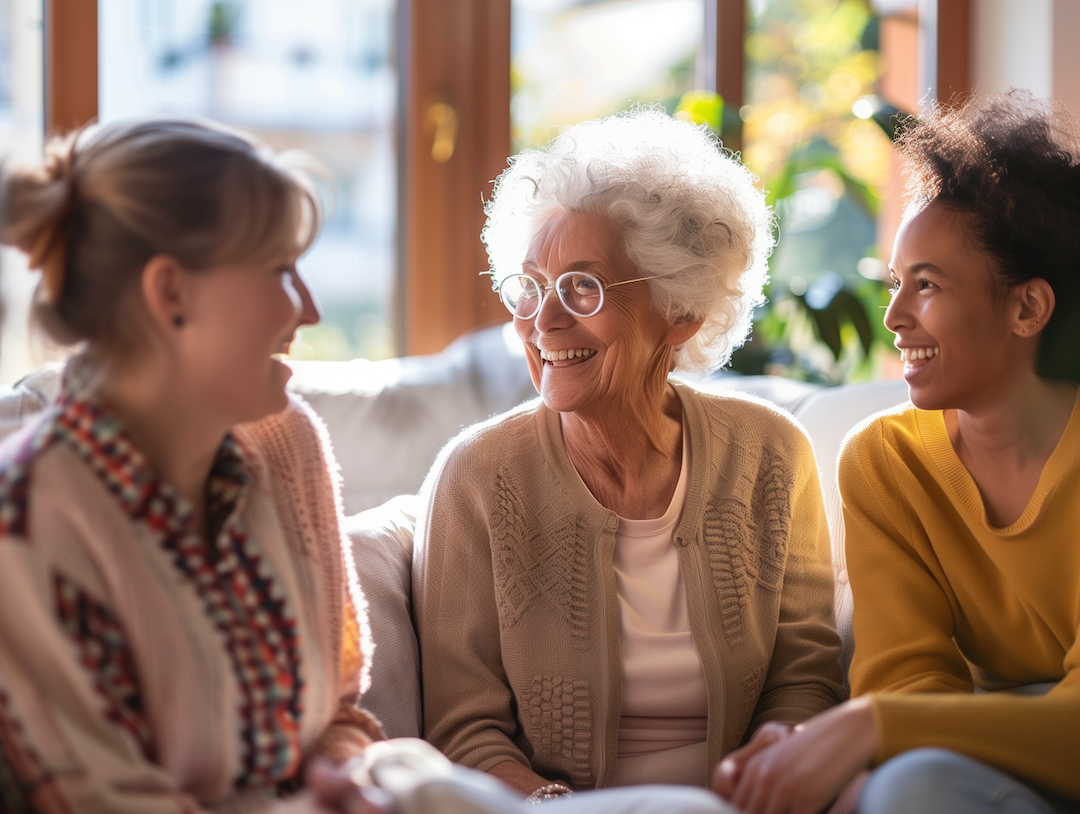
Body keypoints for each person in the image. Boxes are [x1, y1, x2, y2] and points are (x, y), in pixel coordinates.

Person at [412, 107, 846, 801]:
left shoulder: (770, 454)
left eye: (583, 287)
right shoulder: (477, 477)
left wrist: (773, 764)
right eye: (531, 286)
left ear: (680, 312)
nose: (544, 322)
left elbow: (805, 676)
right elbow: (465, 728)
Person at [0, 118, 386, 813]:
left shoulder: (288, 447)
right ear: (171, 293)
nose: (309, 308)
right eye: (279, 271)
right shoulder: (26, 523)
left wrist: (354, 782)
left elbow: (338, 716)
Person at [712, 90, 1080, 814]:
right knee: (910, 786)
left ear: (1027, 308)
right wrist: (866, 734)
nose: (893, 317)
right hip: (1002, 768)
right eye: (893, 284)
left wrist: (873, 725)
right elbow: (908, 686)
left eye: (927, 286)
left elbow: (895, 715)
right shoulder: (885, 463)